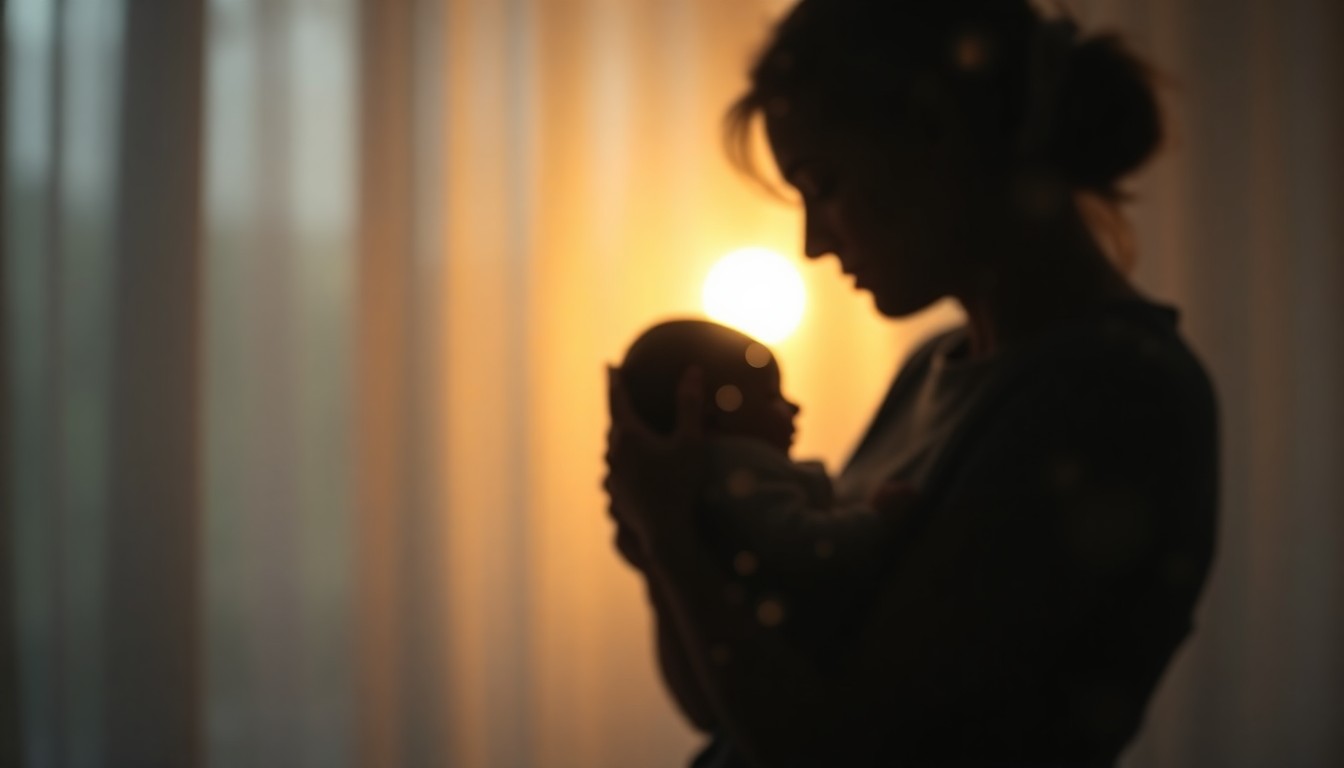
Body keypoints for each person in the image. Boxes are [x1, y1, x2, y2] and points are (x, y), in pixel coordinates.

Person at [605, 1, 1219, 766]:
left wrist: (671, 540)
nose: (812, 240)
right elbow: (723, 709)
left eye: (822, 184)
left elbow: (840, 750)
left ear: (933, 130)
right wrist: (668, 552)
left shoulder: (1111, 394)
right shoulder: (937, 368)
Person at [617, 319, 912, 660]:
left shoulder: (724, 481)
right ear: (710, 412)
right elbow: (800, 544)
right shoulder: (739, 471)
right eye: (772, 396)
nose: (795, 407)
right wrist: (875, 519)